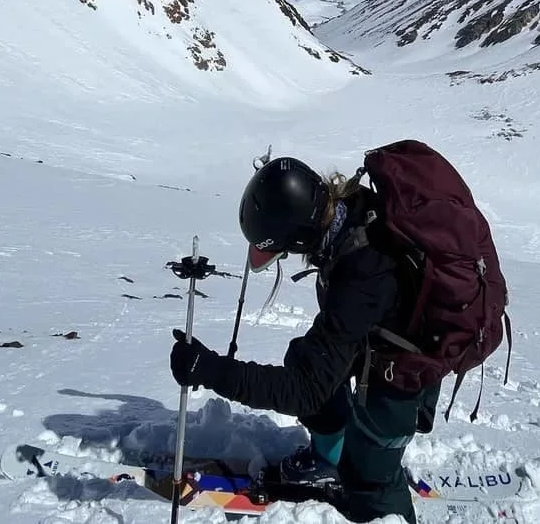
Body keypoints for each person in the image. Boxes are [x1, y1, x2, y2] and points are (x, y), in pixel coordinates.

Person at [168, 155, 437, 524]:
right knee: (306, 356)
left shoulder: (362, 272)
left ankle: (382, 496)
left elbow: (304, 391)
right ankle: (329, 461)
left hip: (408, 368)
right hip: (377, 336)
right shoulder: (343, 215)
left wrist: (211, 370)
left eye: (281, 248)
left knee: (370, 479)